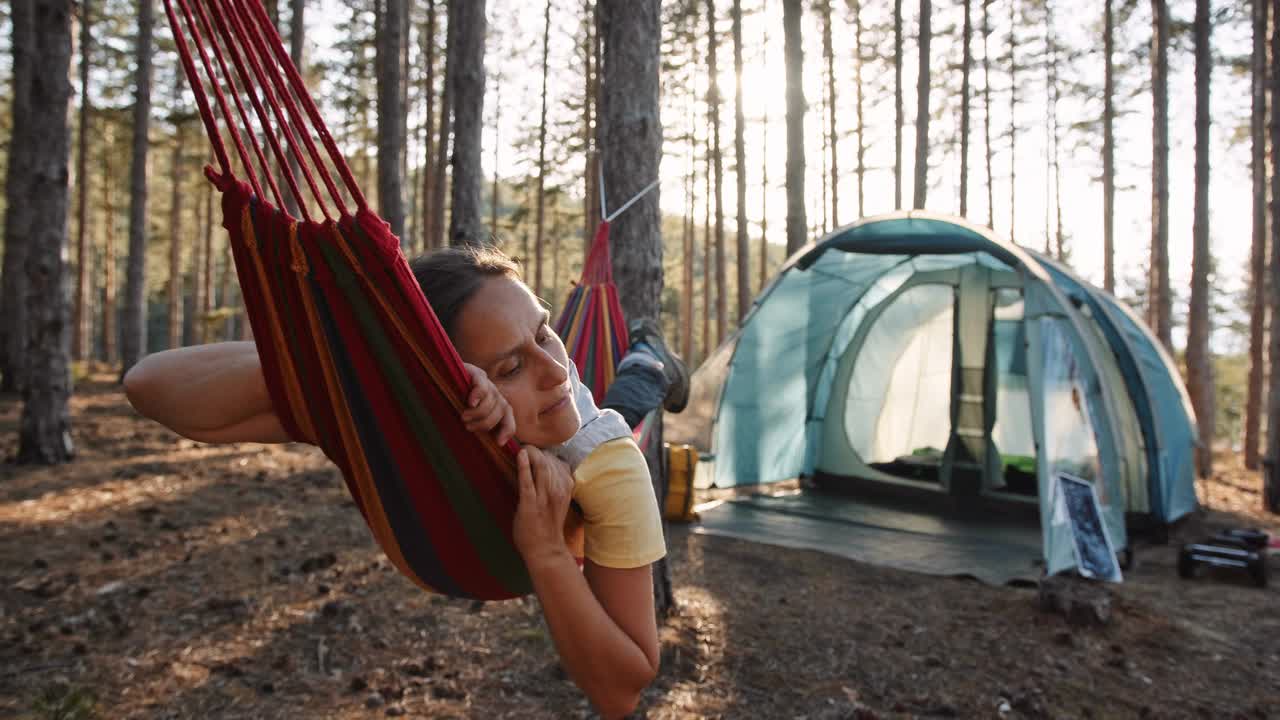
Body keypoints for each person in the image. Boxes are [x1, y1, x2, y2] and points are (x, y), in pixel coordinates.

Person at [123, 245, 688, 720]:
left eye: (545, 332)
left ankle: (650, 359)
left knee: (631, 400)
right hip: (484, 417)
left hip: (588, 436)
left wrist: (547, 554)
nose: (554, 368)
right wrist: (382, 368)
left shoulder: (607, 466)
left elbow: (622, 689)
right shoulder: (416, 426)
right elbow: (149, 384)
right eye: (507, 369)